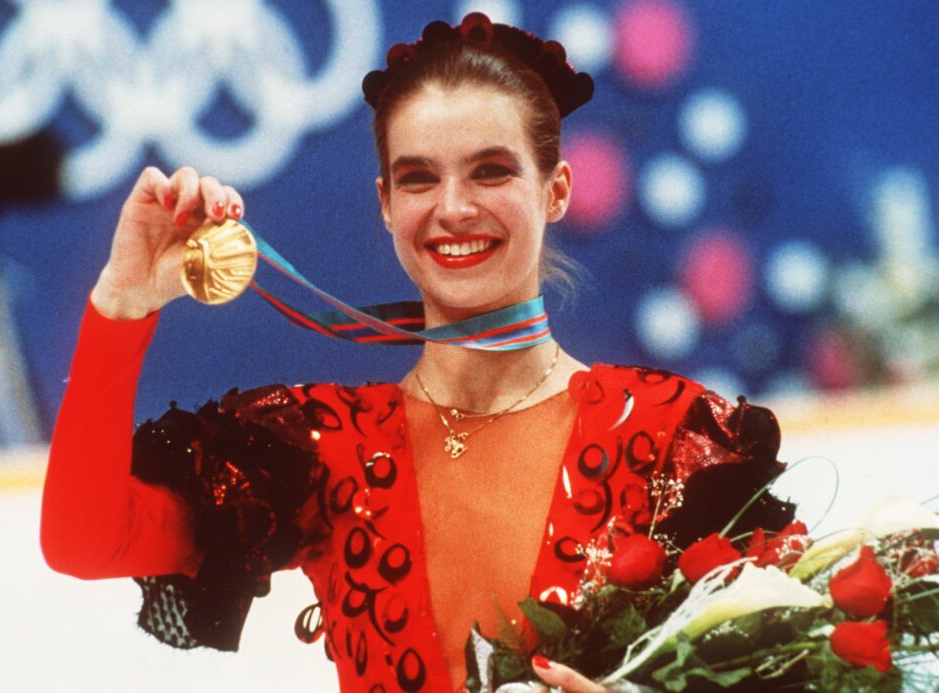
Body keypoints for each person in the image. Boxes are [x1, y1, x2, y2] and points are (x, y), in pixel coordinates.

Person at [41, 13, 792, 693]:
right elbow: (84, 542)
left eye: (491, 170)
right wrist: (120, 306)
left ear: (556, 189)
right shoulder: (327, 446)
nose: (453, 207)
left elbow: (794, 668)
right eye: (419, 178)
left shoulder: (669, 437)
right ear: (386, 203)